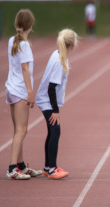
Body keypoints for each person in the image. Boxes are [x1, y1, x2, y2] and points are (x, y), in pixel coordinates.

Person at [36, 29, 78, 180]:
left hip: (46, 98)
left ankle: (48, 167)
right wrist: (55, 111)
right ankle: (52, 169)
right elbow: (51, 87)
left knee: (52, 130)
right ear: (73, 44)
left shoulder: (58, 54)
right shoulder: (60, 60)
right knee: (56, 130)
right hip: (46, 99)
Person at [5, 9, 42, 180]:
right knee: (22, 130)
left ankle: (20, 165)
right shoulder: (24, 44)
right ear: (31, 25)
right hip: (20, 89)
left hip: (11, 88)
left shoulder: (12, 40)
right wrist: (30, 92)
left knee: (17, 129)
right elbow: (25, 68)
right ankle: (12, 168)